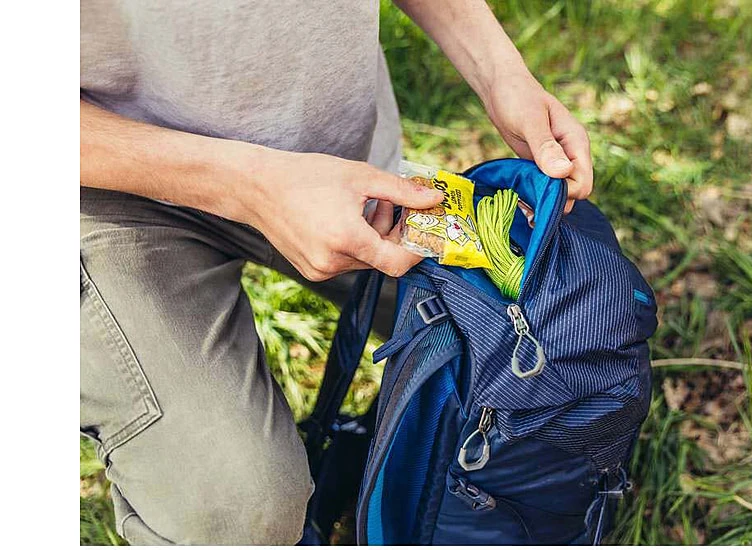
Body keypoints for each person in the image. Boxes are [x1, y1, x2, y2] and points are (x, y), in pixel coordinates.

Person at [80, 0, 593, 545]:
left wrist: (501, 74)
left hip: (343, 168)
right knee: (238, 511)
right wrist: (250, 186)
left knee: (561, 330)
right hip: (112, 192)